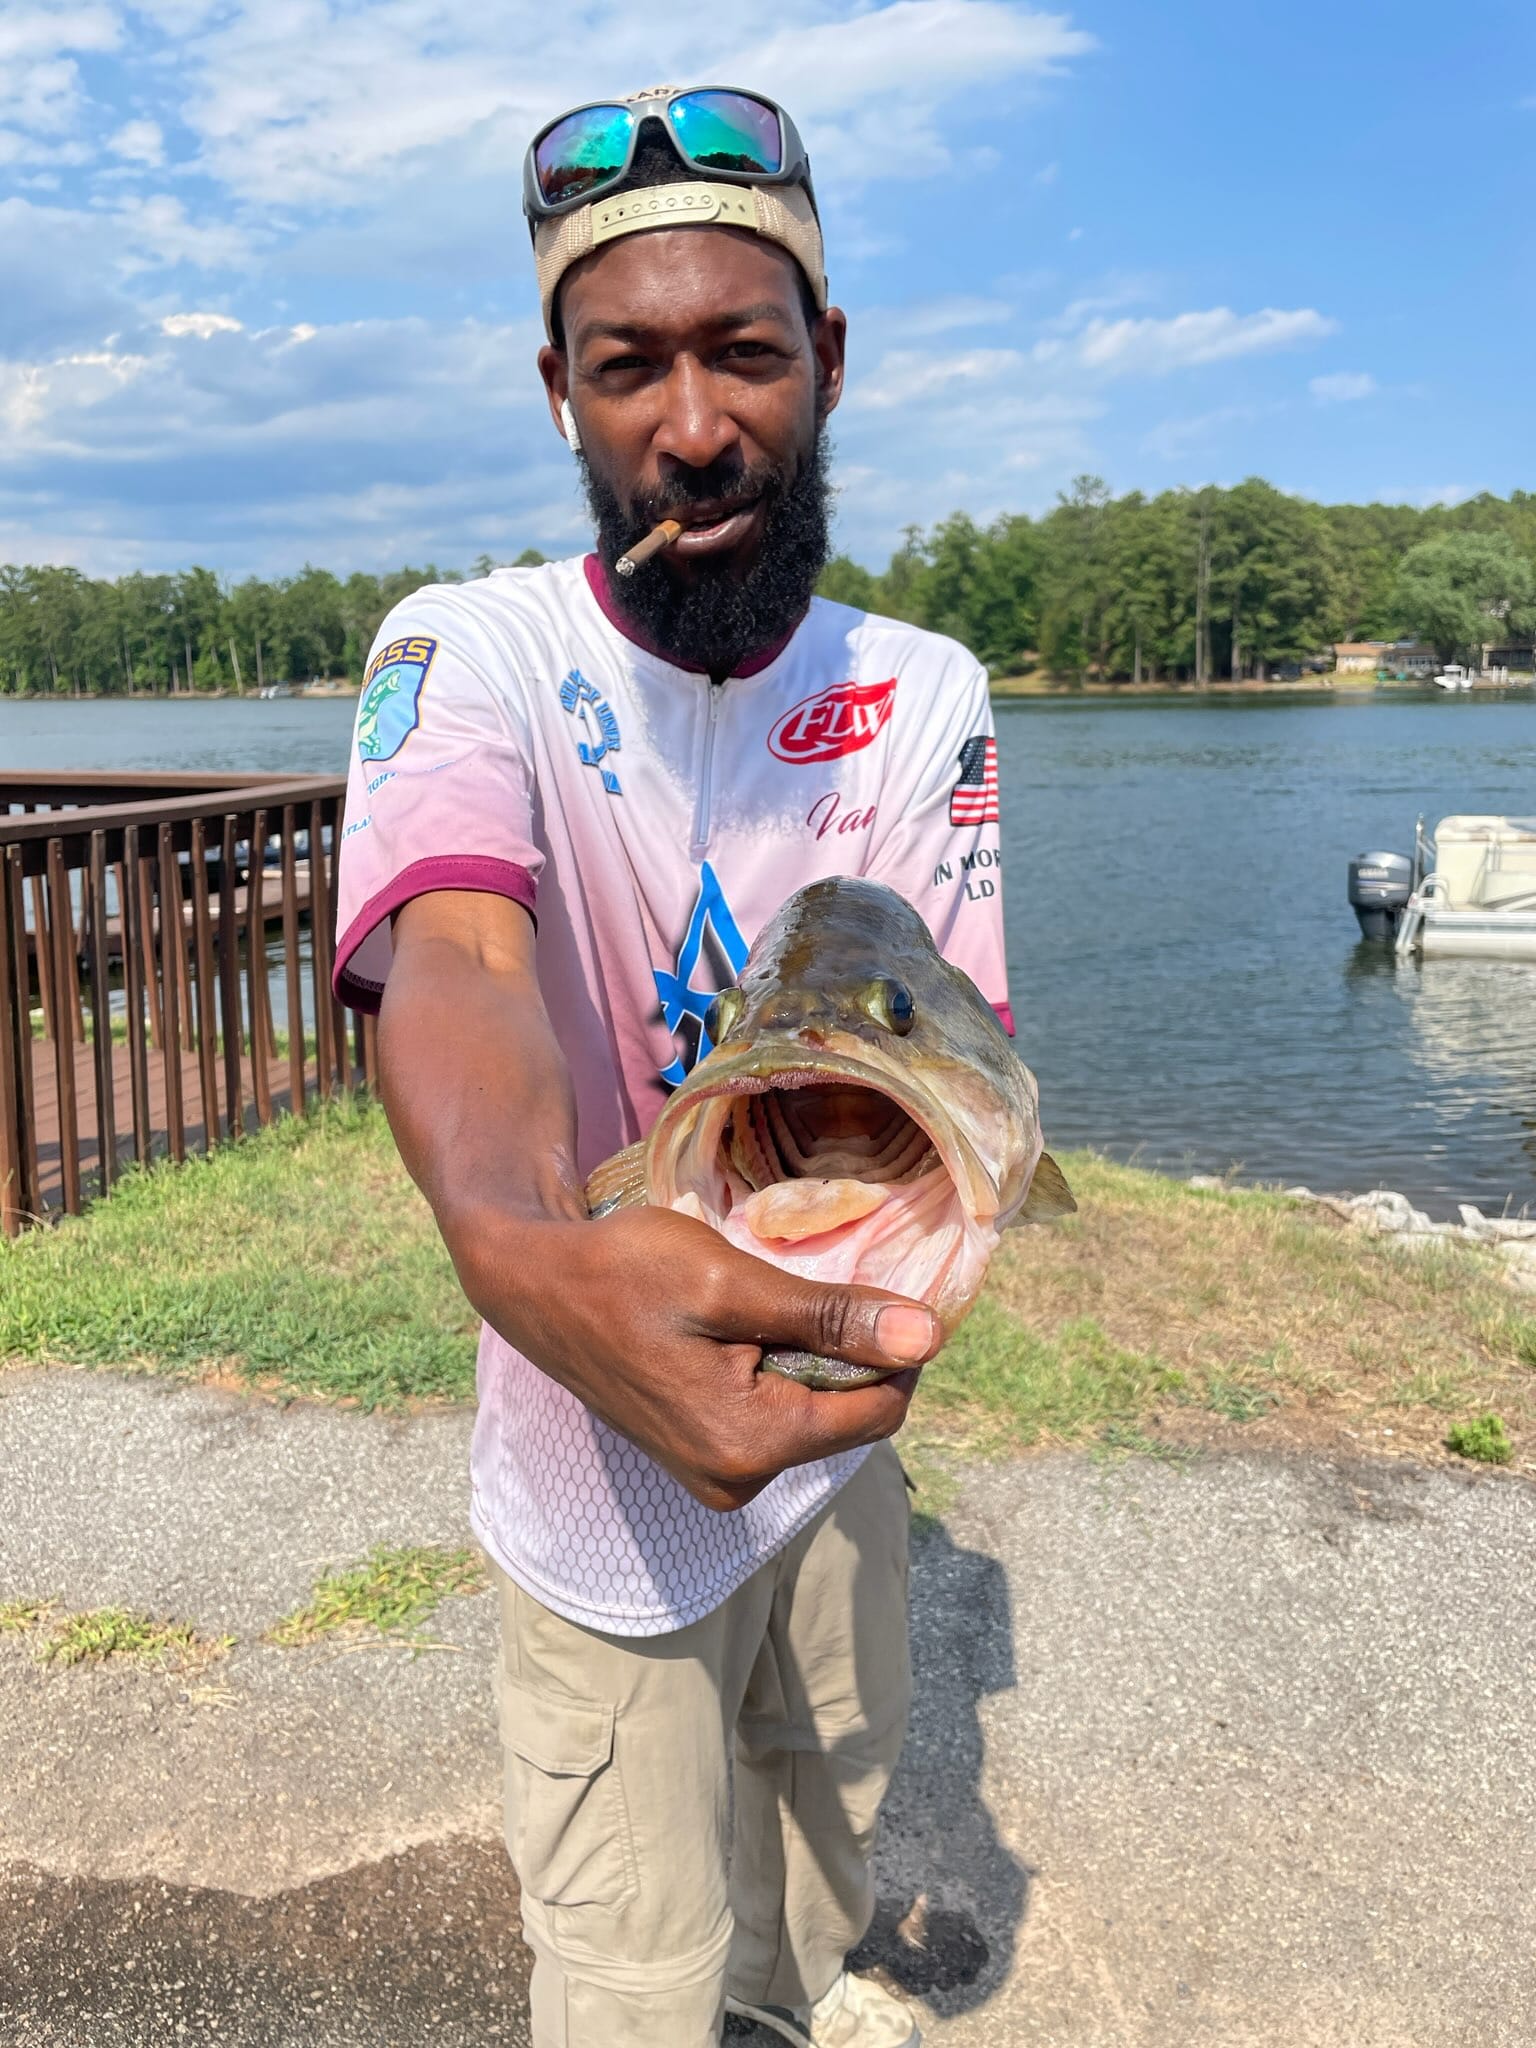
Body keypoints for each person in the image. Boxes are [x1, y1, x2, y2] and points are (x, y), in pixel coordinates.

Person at [333, 82, 1011, 2048]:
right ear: (561, 390)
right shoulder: (464, 653)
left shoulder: (923, 692)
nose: (694, 427)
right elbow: (458, 949)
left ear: (831, 359)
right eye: (630, 366)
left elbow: (953, 1056)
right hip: (587, 1461)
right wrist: (519, 1247)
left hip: (839, 1461)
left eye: (747, 353)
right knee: (630, 1973)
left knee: (822, 1839)